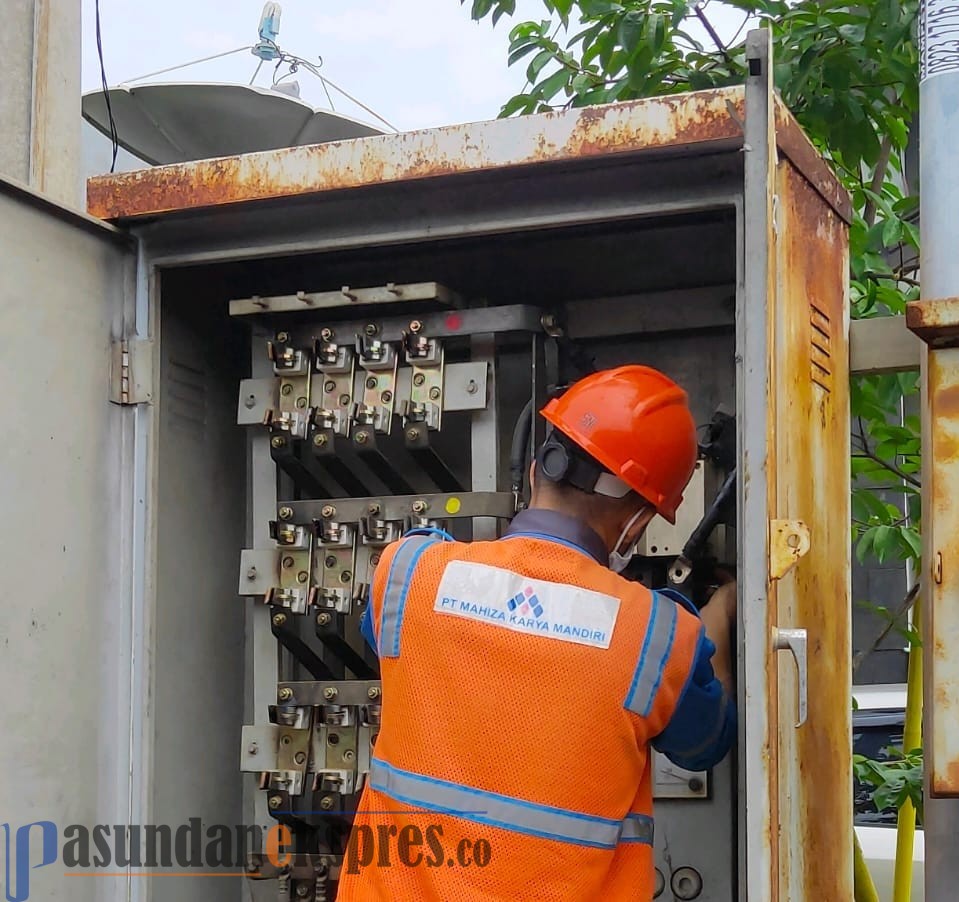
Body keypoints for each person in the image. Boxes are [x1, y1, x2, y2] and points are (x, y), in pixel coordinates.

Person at [340, 365, 737, 901]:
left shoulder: (410, 572)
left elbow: (392, 634)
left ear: (535, 470)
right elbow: (705, 742)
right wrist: (723, 611)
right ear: (638, 522)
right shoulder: (659, 636)